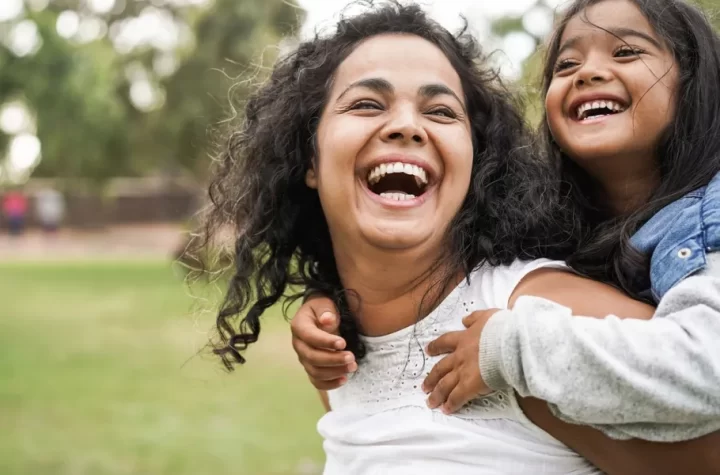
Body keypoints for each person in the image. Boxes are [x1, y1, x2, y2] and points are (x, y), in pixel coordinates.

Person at [197, 2, 719, 473]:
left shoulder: (532, 323)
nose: (406, 126)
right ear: (309, 157)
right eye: (366, 105)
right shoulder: (340, 345)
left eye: (441, 111)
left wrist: (512, 352)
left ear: (477, 163)